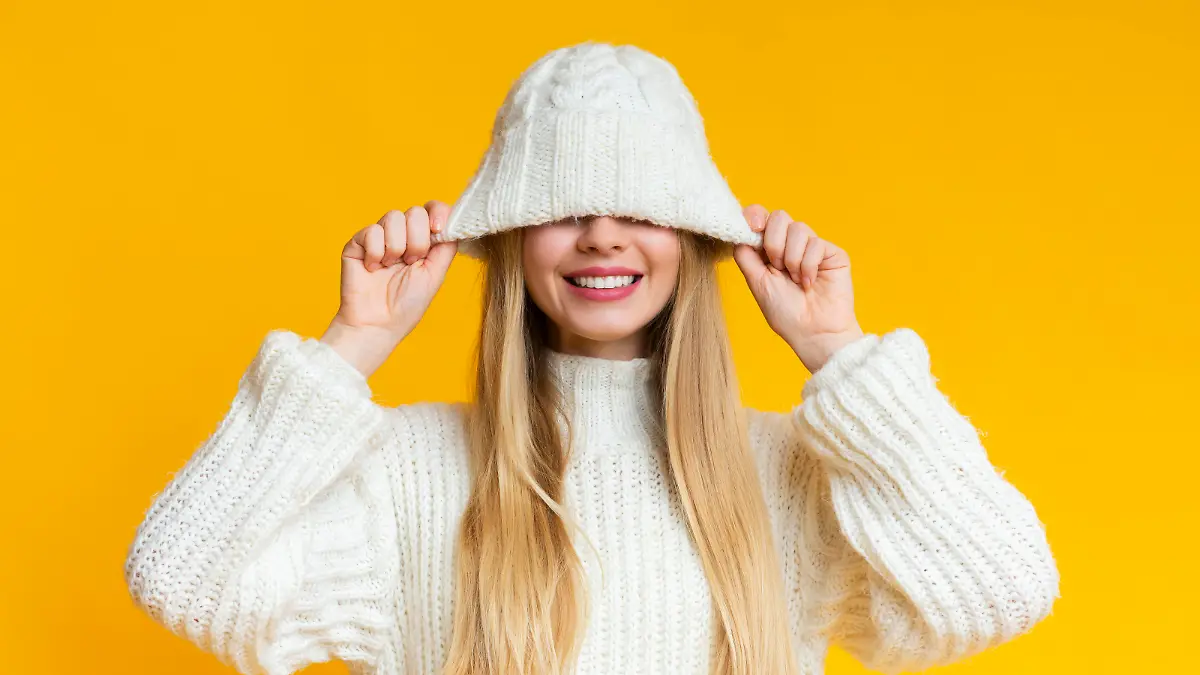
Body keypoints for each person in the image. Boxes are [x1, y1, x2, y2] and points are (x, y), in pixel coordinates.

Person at [123, 41, 1060, 675]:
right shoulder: (406, 469)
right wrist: (349, 347)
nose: (602, 238)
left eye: (641, 209)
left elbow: (1000, 589)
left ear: (691, 238)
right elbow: (184, 578)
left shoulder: (790, 475)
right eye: (566, 207)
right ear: (515, 240)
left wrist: (840, 356)